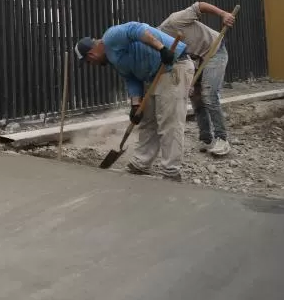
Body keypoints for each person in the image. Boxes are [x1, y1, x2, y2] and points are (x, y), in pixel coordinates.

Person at [74, 22, 194, 181]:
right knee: (147, 121)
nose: (93, 65)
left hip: (173, 65)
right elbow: (131, 78)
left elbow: (136, 30)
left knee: (169, 121)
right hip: (154, 76)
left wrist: (162, 49)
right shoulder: (113, 58)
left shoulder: (110, 37)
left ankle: (171, 172)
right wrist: (135, 104)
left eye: (89, 62)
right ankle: (141, 164)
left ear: (91, 54)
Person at [159, 2, 236, 157]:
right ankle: (206, 139)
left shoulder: (175, 21)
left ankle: (222, 139)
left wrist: (223, 14)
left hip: (215, 50)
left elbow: (199, 6)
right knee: (196, 97)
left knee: (208, 94)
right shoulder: (161, 46)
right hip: (196, 58)